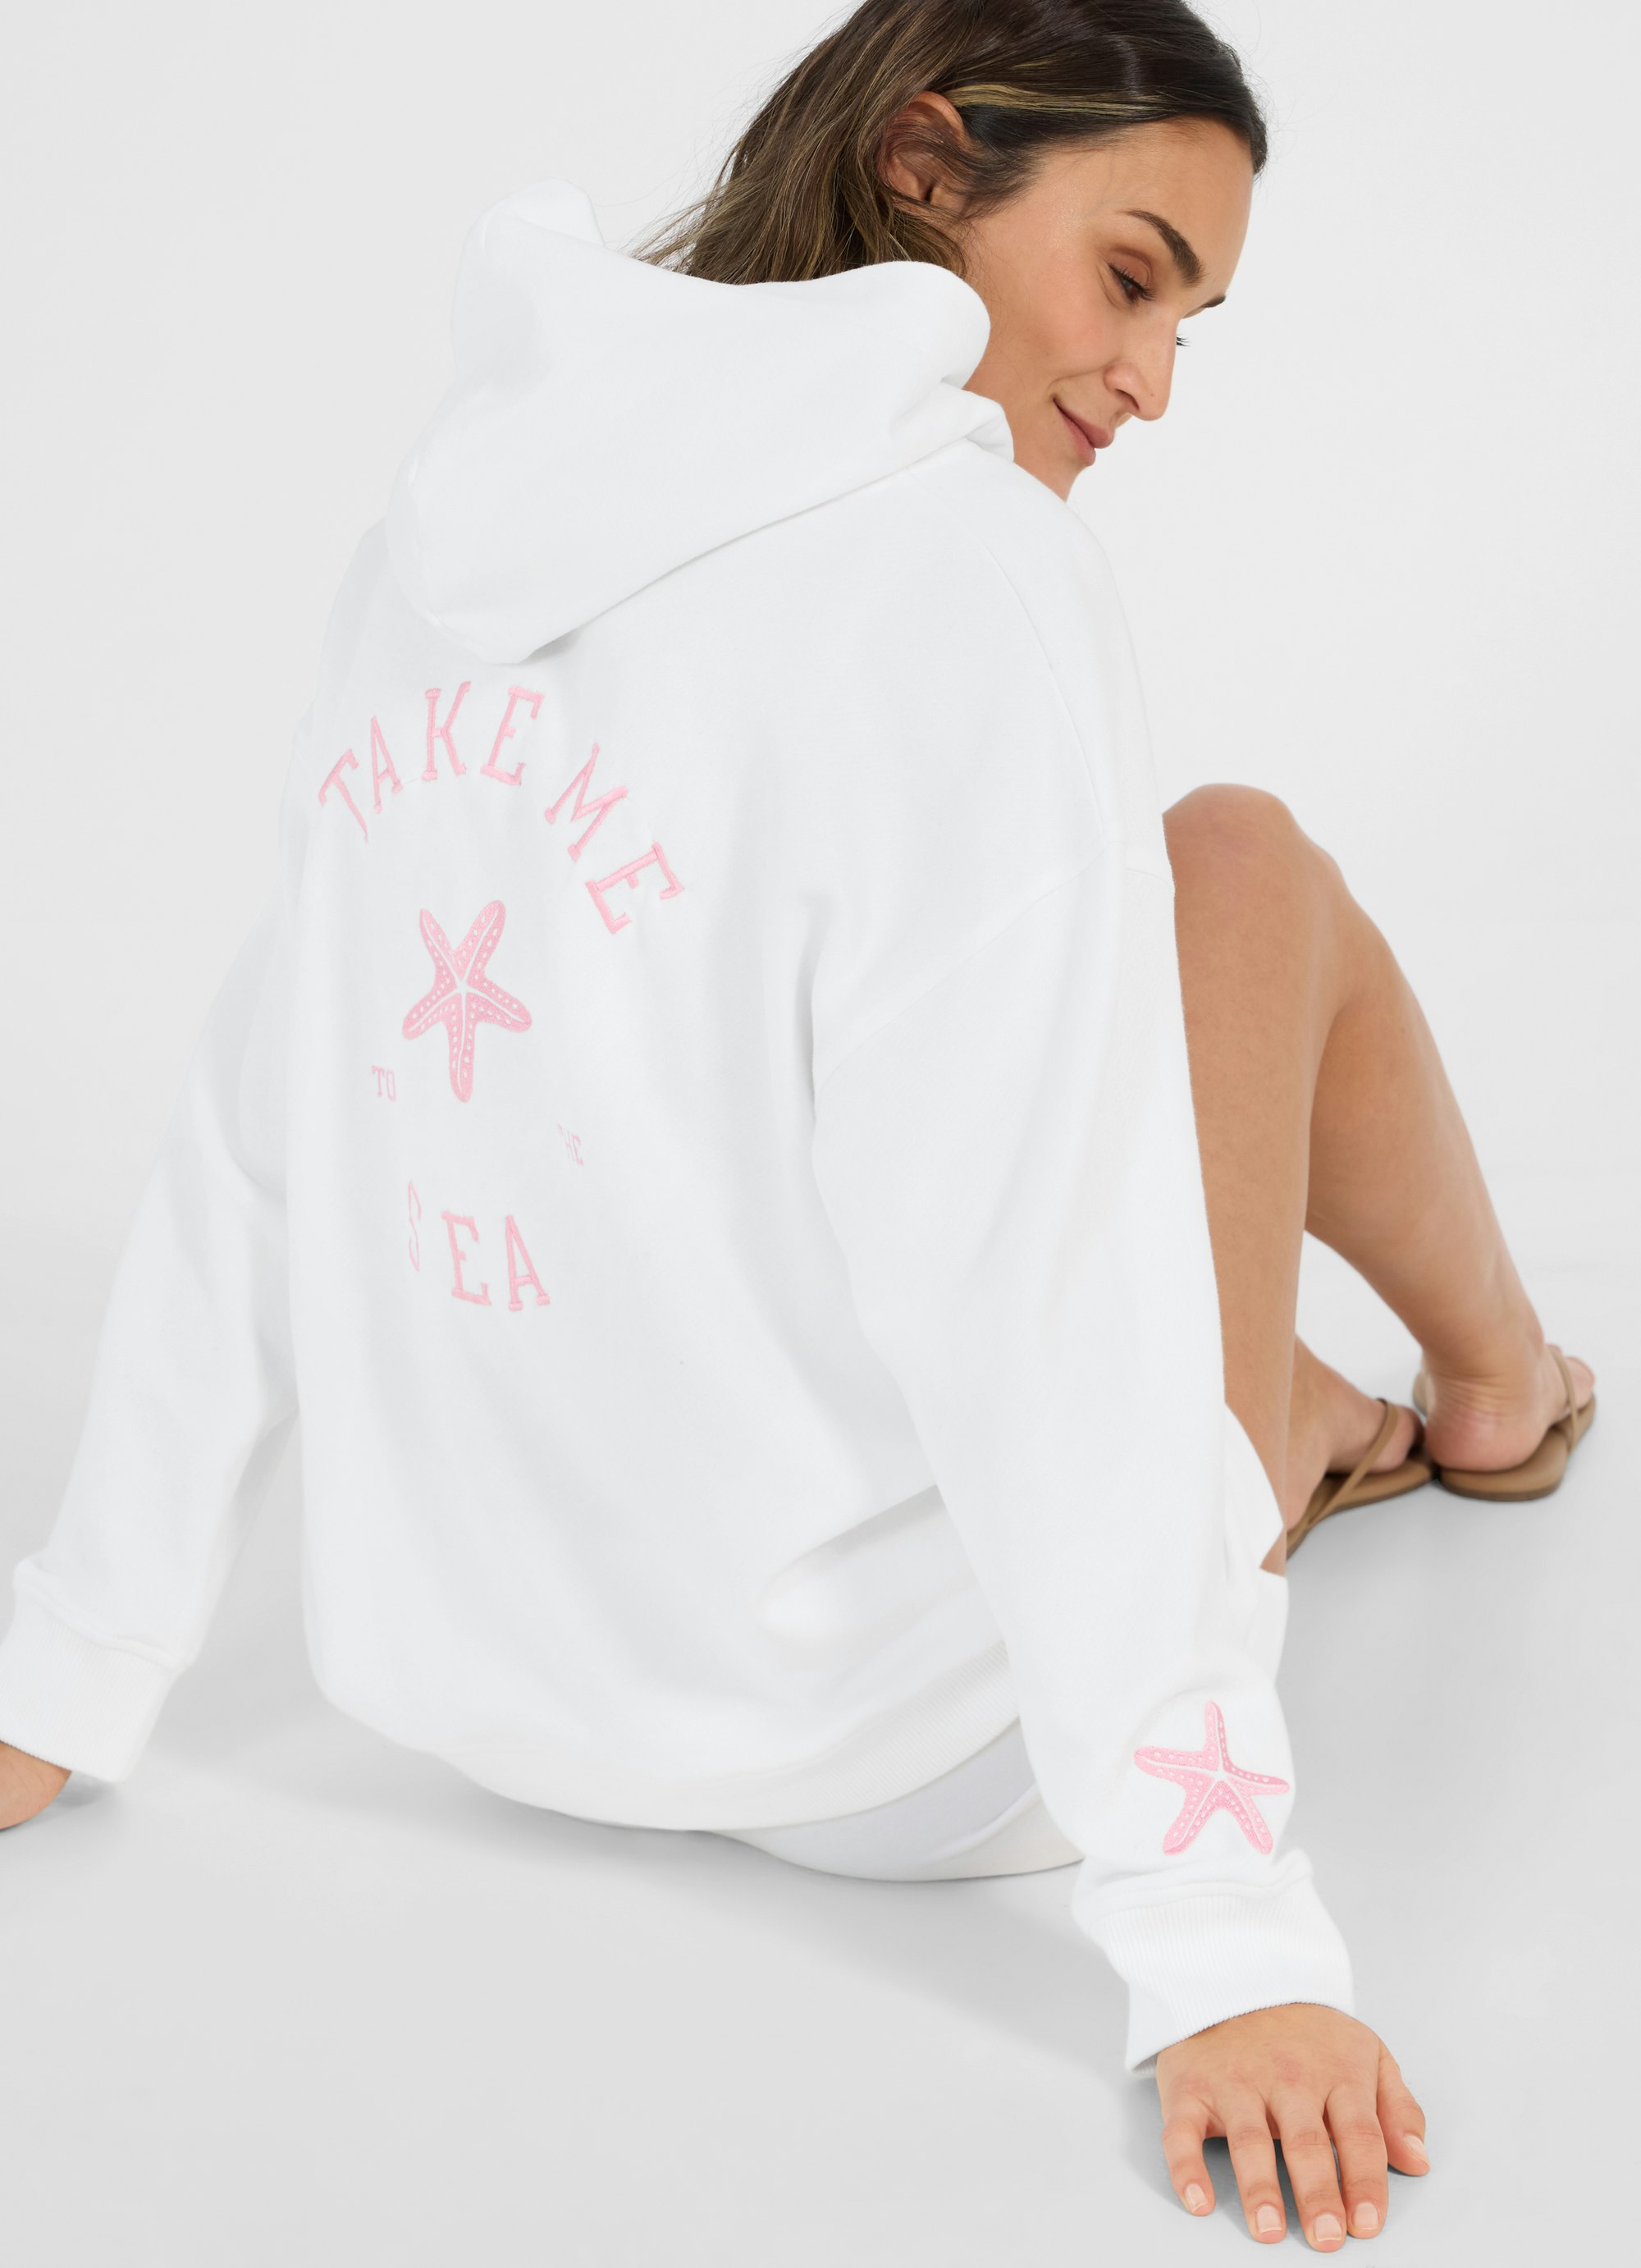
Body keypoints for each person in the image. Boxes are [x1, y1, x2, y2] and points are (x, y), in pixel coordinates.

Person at [0, 0, 1596, 2249]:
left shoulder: (453, 527)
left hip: (500, 1697)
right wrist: (1222, 1940)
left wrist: (69, 1658)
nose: (1154, 383)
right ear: (926, 162)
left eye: (1191, 323)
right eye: (1132, 277)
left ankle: (1333, 1416)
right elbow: (1037, 1286)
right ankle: (1500, 1389)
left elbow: (276, 1118)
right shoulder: (973, 572)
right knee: (1236, 866)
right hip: (921, 1758)